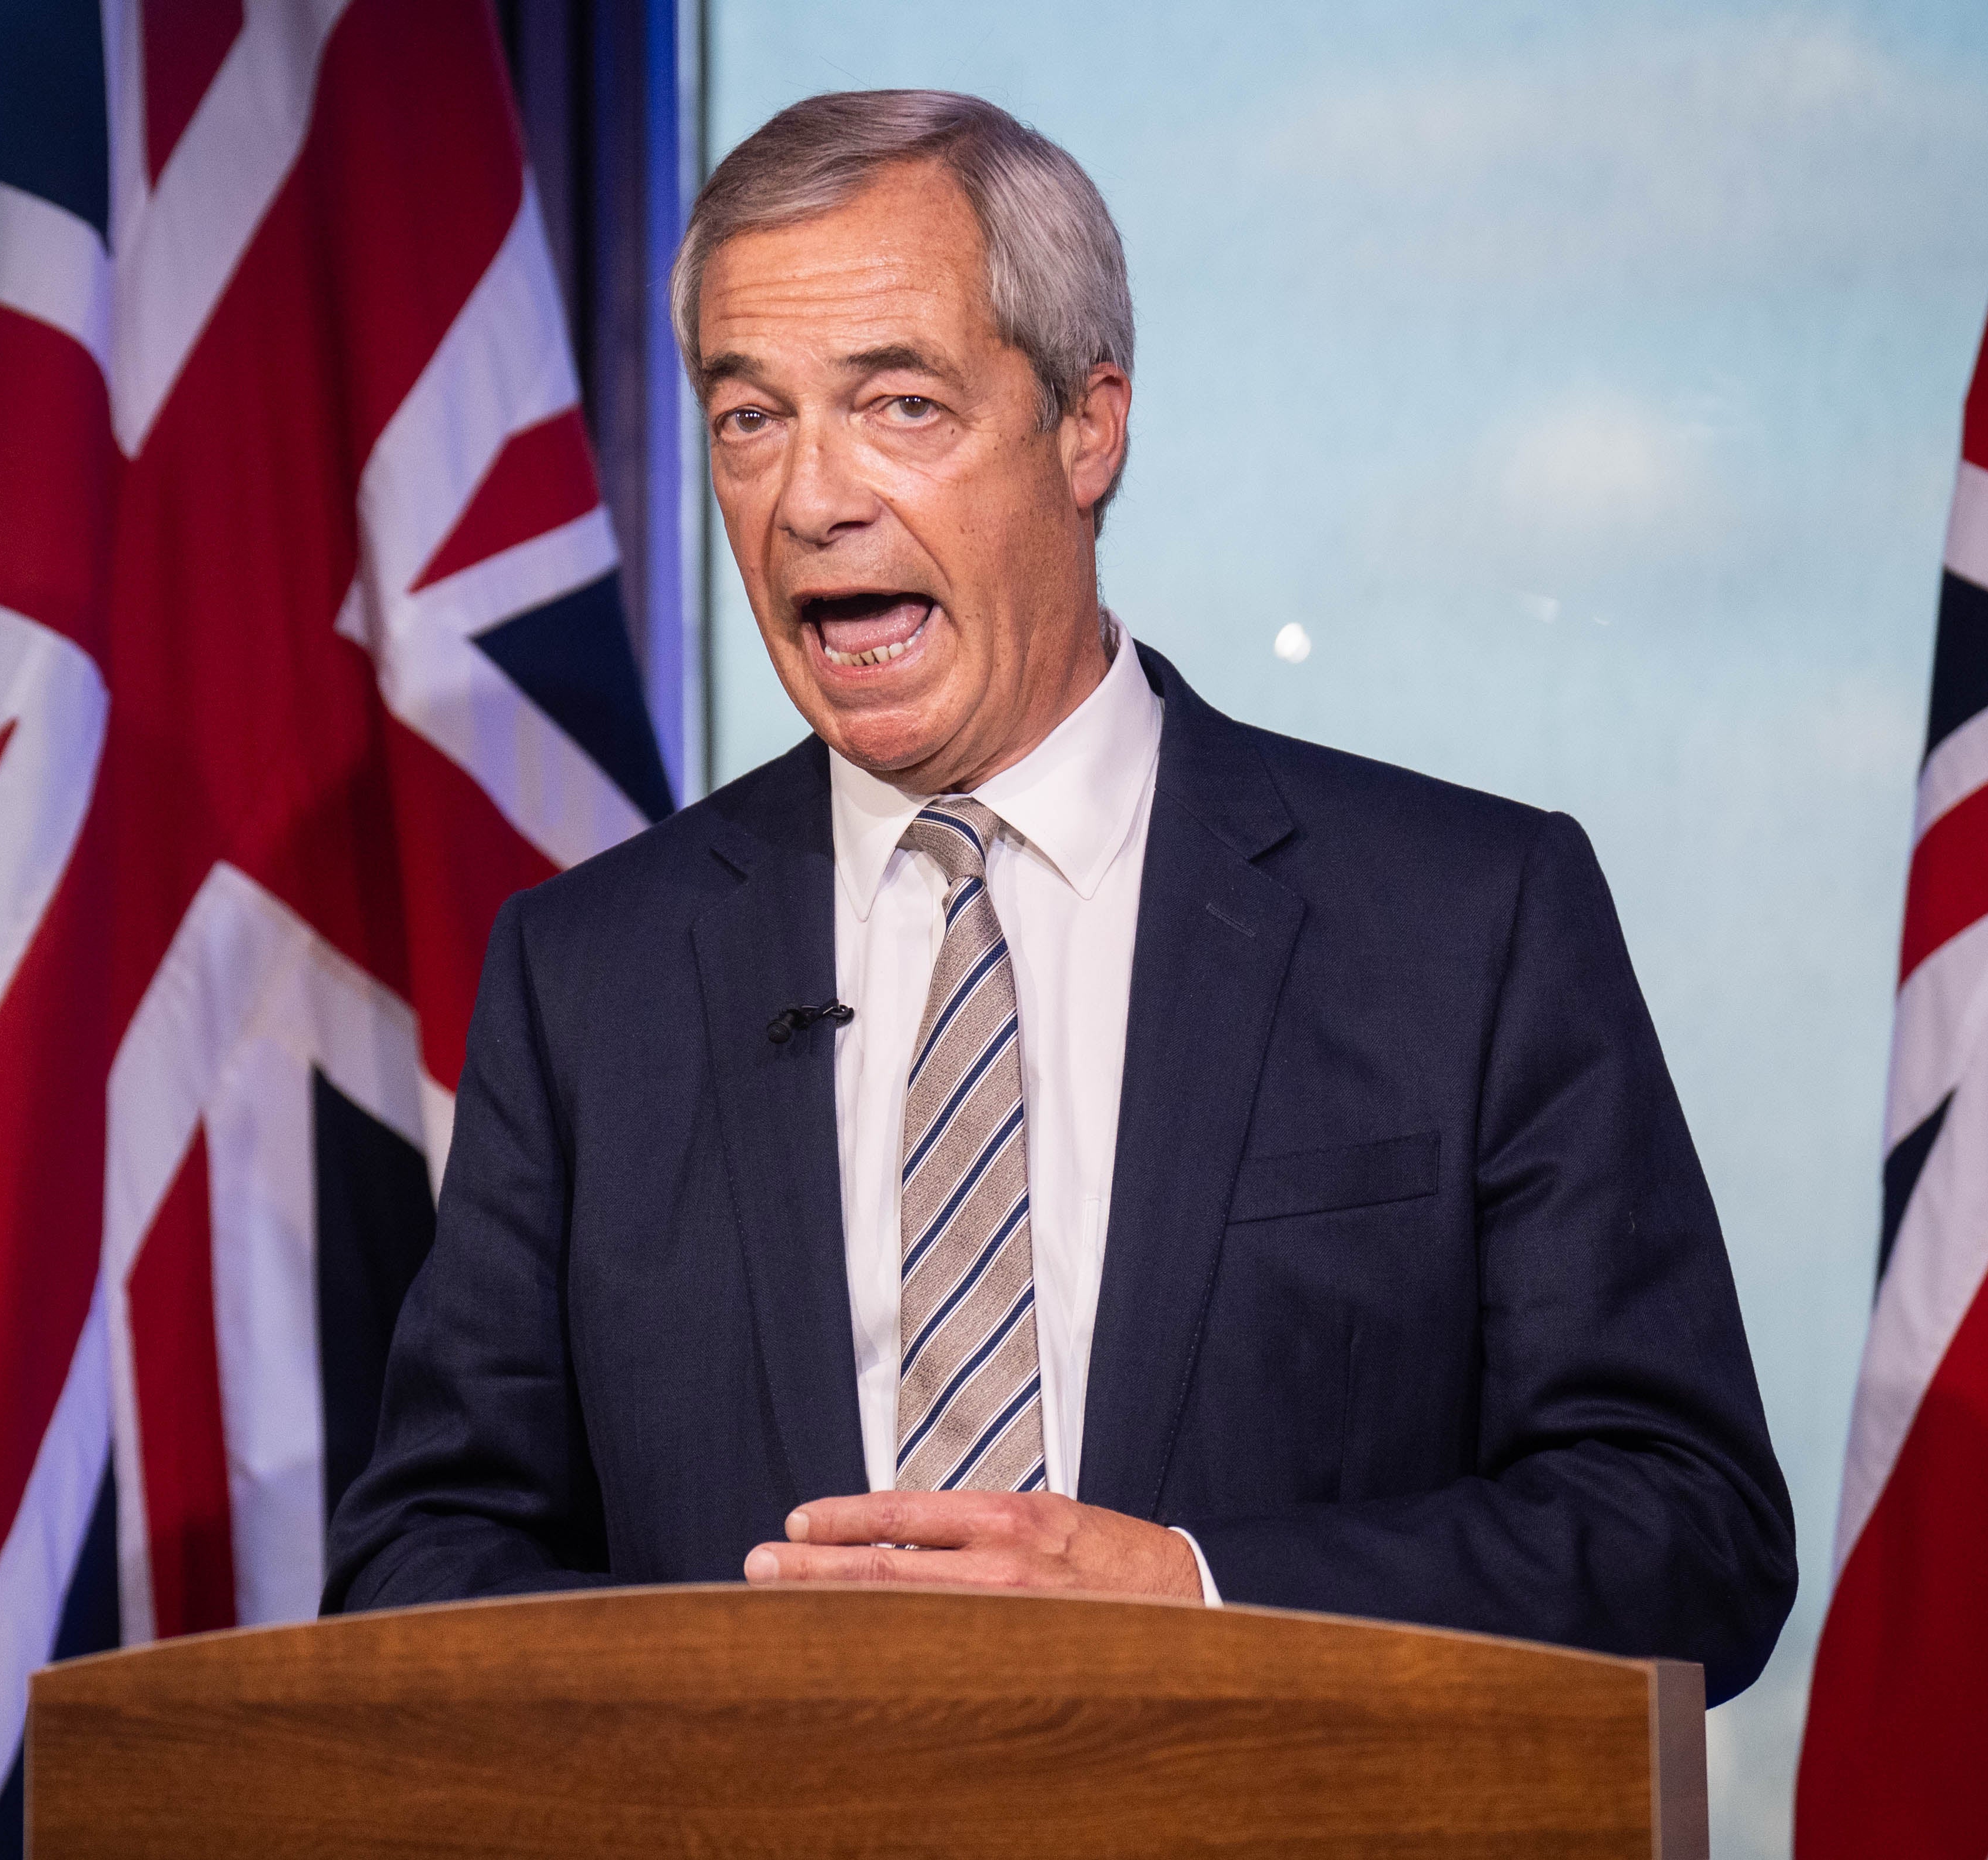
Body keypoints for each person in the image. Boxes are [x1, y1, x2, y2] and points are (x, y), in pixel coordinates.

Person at [325, 88, 1796, 1702]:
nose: (811, 499)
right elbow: (424, 1558)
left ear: (1089, 426)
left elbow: (1687, 1530)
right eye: (751, 418)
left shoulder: (1471, 922)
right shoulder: (586, 973)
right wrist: (723, 1687)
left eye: (898, 405)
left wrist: (1202, 1595)